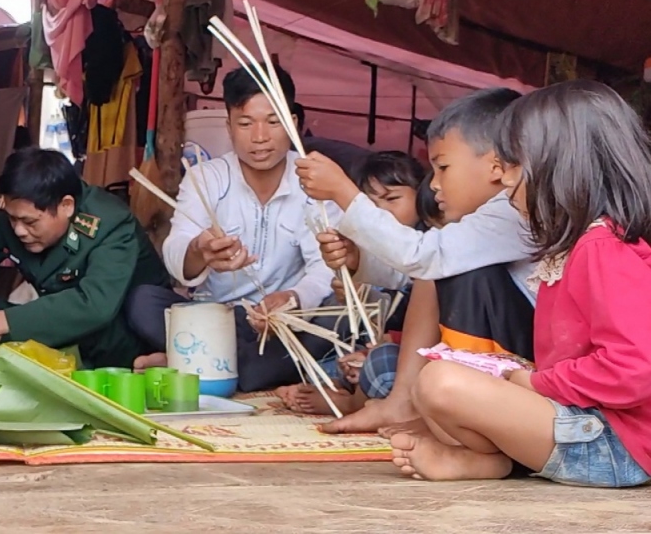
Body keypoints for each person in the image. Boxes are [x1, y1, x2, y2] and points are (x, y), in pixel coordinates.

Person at [390, 80, 651, 486]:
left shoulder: (601, 248)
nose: (501, 175)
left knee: (442, 383)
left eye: (512, 162)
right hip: (585, 425)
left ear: (560, 165)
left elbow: (635, 368)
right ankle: (494, 462)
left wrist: (534, 382)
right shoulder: (573, 245)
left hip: (616, 446)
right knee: (435, 384)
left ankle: (499, 461)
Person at [295, 87, 535, 434]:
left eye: (443, 167)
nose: (434, 185)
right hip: (514, 358)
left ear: (496, 165)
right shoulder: (488, 221)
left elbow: (423, 257)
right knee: (437, 266)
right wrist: (358, 259)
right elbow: (422, 266)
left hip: (527, 368)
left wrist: (344, 194)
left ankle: (412, 403)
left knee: (439, 264)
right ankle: (402, 401)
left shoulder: (510, 210)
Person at [127, 67, 337, 393]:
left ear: (294, 124)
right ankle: (234, 364)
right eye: (245, 123)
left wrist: (294, 298)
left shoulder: (314, 181)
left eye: (273, 121)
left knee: (337, 318)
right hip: (218, 319)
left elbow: (325, 270)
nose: (259, 136)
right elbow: (175, 250)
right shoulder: (206, 178)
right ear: (228, 127)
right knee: (142, 300)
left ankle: (192, 360)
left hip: (285, 324)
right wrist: (199, 251)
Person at [0, 147, 170, 369]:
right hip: (56, 319)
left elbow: (95, 305)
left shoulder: (110, 223)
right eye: (13, 219)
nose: (18, 230)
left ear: (66, 206)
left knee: (82, 331)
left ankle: (137, 364)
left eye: (29, 222)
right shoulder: (17, 214)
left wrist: (4, 322)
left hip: (116, 329)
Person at [284, 151, 430, 415]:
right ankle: (352, 385)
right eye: (372, 204)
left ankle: (352, 402)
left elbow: (410, 307)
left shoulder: (430, 241)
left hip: (408, 352)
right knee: (328, 365)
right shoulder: (366, 243)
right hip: (378, 343)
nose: (382, 212)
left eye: (392, 199)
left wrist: (384, 340)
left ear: (420, 194)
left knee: (382, 366)